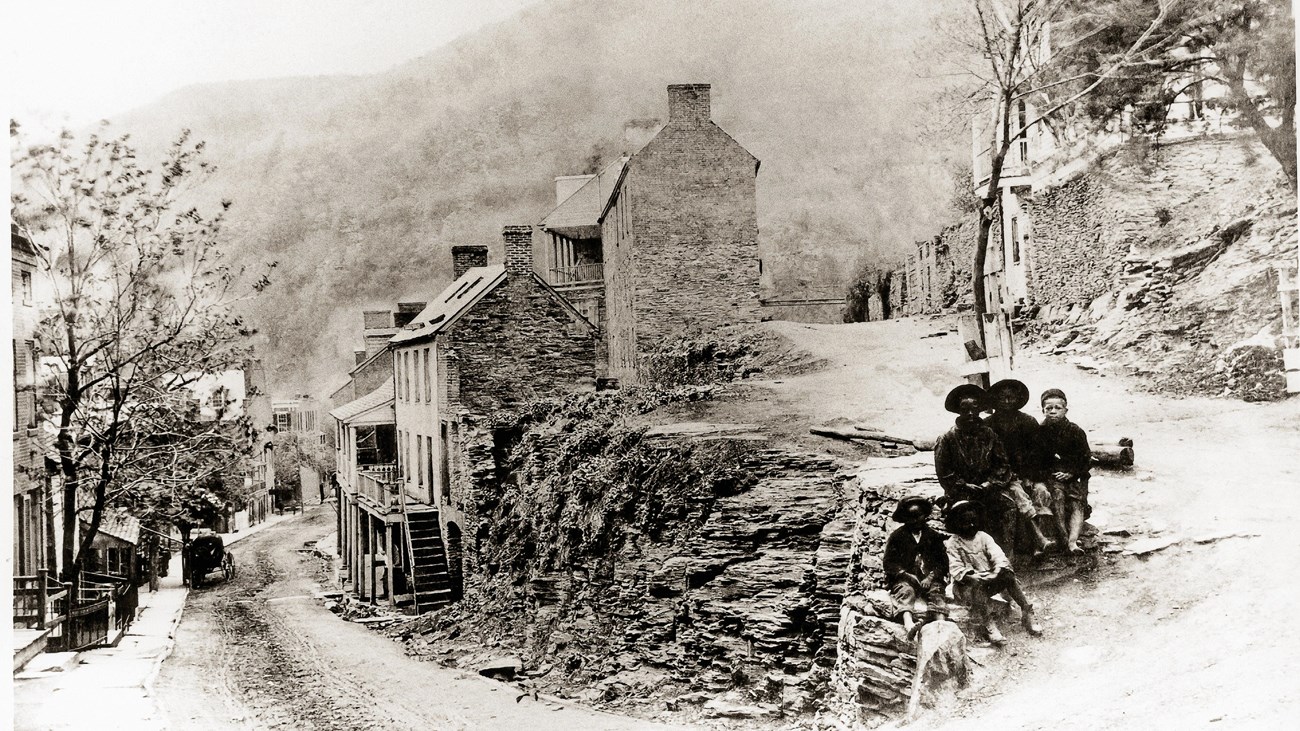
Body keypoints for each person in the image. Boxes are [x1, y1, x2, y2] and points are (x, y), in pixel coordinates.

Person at [945, 501, 1043, 645]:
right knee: (977, 586)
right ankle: (988, 623)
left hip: (989, 578)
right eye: (966, 523)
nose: (971, 526)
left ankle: (1027, 610)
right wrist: (972, 576)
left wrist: (997, 571)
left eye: (973, 521)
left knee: (1008, 575)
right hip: (967, 585)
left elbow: (998, 555)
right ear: (957, 524)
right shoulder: (953, 543)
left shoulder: (983, 537)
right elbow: (955, 567)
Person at [934, 384, 1016, 552]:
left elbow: (1002, 464)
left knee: (1008, 507)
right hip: (960, 492)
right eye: (965, 409)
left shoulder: (989, 434)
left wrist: (990, 483)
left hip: (987, 490)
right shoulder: (947, 438)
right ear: (959, 411)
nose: (970, 414)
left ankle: (1006, 559)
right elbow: (944, 473)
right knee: (967, 516)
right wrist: (963, 485)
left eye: (975, 409)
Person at [984, 379, 1056, 556]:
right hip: (1002, 476)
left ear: (1017, 399)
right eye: (1003, 398)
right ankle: (1036, 542)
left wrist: (1030, 476)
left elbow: (1038, 454)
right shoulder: (988, 424)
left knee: (1041, 492)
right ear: (996, 400)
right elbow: (987, 457)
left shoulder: (1028, 422)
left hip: (1027, 474)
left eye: (1011, 398)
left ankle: (1041, 542)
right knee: (1017, 495)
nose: (1007, 402)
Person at [882, 496, 949, 635]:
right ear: (905, 519)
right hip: (905, 579)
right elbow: (889, 563)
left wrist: (930, 577)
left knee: (936, 591)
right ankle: (908, 623)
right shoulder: (897, 536)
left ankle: (940, 623)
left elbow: (942, 562)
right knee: (906, 592)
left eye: (918, 516)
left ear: (924, 516)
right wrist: (905, 575)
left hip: (928, 579)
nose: (915, 521)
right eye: (910, 518)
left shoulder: (933, 536)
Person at [1038, 388, 1092, 554]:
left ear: (1065, 410)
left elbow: (1086, 459)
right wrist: (1050, 475)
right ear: (1043, 410)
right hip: (1052, 476)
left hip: (1074, 474)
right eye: (1049, 408)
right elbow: (1037, 459)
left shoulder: (1075, 431)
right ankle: (1063, 537)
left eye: (1057, 408)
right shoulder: (1039, 431)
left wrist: (1072, 473)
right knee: (1058, 497)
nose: (1053, 411)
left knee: (1077, 501)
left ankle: (1072, 542)